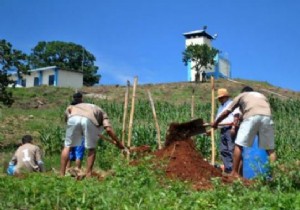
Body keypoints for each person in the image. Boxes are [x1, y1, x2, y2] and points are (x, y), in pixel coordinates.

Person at [212, 86, 276, 178]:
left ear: (243, 92)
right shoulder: (261, 96)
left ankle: (234, 173)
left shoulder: (242, 95)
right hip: (267, 117)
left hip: (251, 116)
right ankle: (272, 175)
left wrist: (216, 122)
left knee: (238, 145)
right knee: (270, 149)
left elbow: (227, 112)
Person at [60, 92, 125, 177]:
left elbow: (67, 117)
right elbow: (108, 129)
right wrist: (119, 143)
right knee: (91, 149)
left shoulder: (73, 106)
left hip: (73, 118)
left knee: (67, 146)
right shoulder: (102, 113)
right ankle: (88, 174)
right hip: (89, 120)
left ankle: (61, 174)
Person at [214, 88, 241, 174]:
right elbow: (218, 120)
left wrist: (233, 128)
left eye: (221, 97)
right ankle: (229, 169)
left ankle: (235, 170)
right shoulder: (221, 107)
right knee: (223, 150)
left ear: (226, 97)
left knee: (231, 149)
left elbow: (236, 115)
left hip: (230, 128)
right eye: (219, 98)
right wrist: (212, 129)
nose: (219, 99)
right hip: (223, 129)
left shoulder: (231, 104)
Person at [66, 93, 86, 169]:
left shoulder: (69, 108)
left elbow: (66, 119)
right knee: (79, 154)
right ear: (81, 98)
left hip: (70, 132)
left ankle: (67, 170)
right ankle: (77, 170)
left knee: (69, 152)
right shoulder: (83, 108)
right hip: (80, 132)